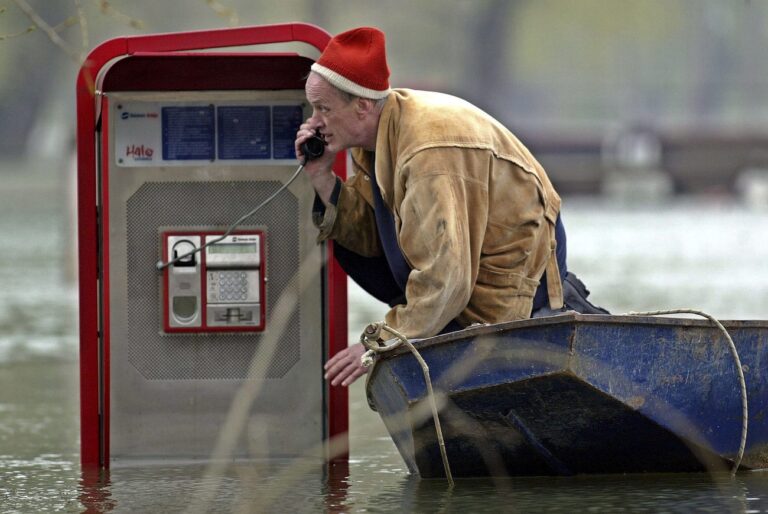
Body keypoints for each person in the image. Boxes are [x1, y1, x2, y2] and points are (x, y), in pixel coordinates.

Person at [294, 27, 606, 388]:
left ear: (362, 106)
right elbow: (369, 238)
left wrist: (380, 342)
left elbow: (448, 277)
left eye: (323, 108)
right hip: (465, 264)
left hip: (518, 268)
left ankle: (552, 309)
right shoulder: (380, 131)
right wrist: (322, 179)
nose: (314, 122)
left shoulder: (428, 154)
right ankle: (435, 327)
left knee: (451, 325)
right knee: (343, 243)